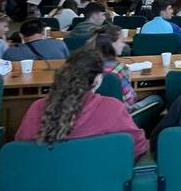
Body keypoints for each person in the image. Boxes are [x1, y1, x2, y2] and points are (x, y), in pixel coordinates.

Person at [14, 49, 147, 160]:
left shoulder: (36, 107)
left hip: (43, 179)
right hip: (98, 180)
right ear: (97, 79)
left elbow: (21, 152)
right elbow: (138, 147)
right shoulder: (112, 108)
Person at [89, 25, 137, 107]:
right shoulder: (119, 68)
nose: (124, 45)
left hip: (92, 112)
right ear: (112, 44)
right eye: (122, 41)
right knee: (155, 98)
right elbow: (130, 100)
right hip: (121, 112)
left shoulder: (87, 65)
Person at [4, 19, 69, 61]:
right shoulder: (60, 44)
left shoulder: (11, 52)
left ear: (21, 35)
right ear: (43, 32)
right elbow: (67, 62)